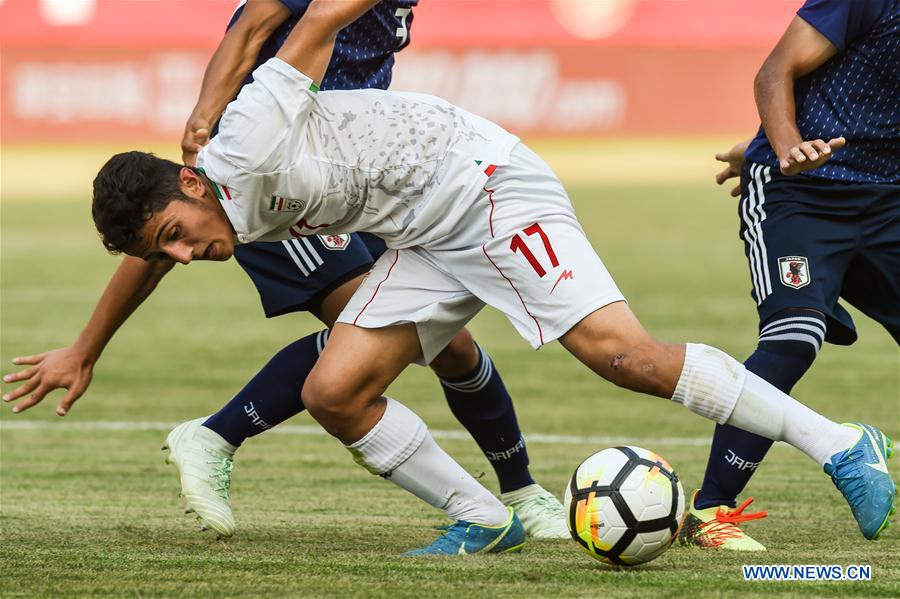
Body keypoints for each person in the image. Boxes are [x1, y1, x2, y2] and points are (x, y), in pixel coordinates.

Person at [90, 0, 895, 556]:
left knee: (623, 357)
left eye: (176, 238)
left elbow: (311, 18)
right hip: (426, 233)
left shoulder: (246, 138)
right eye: (170, 253)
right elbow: (159, 234)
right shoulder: (208, 203)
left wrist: (210, 105)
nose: (186, 256)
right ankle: (484, 517)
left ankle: (841, 444)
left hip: (483, 184)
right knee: (333, 391)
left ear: (191, 186)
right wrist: (89, 343)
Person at [1, 0, 568, 544]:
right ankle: (216, 435)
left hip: (356, 170)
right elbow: (250, 29)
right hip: (277, 174)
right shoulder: (232, 175)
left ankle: (521, 492)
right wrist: (205, 119)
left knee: (451, 346)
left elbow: (156, 247)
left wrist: (84, 349)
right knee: (366, 330)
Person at [679, 0, 899, 551]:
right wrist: (780, 147)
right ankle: (710, 513)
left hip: (888, 203)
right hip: (799, 196)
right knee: (793, 338)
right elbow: (775, 70)